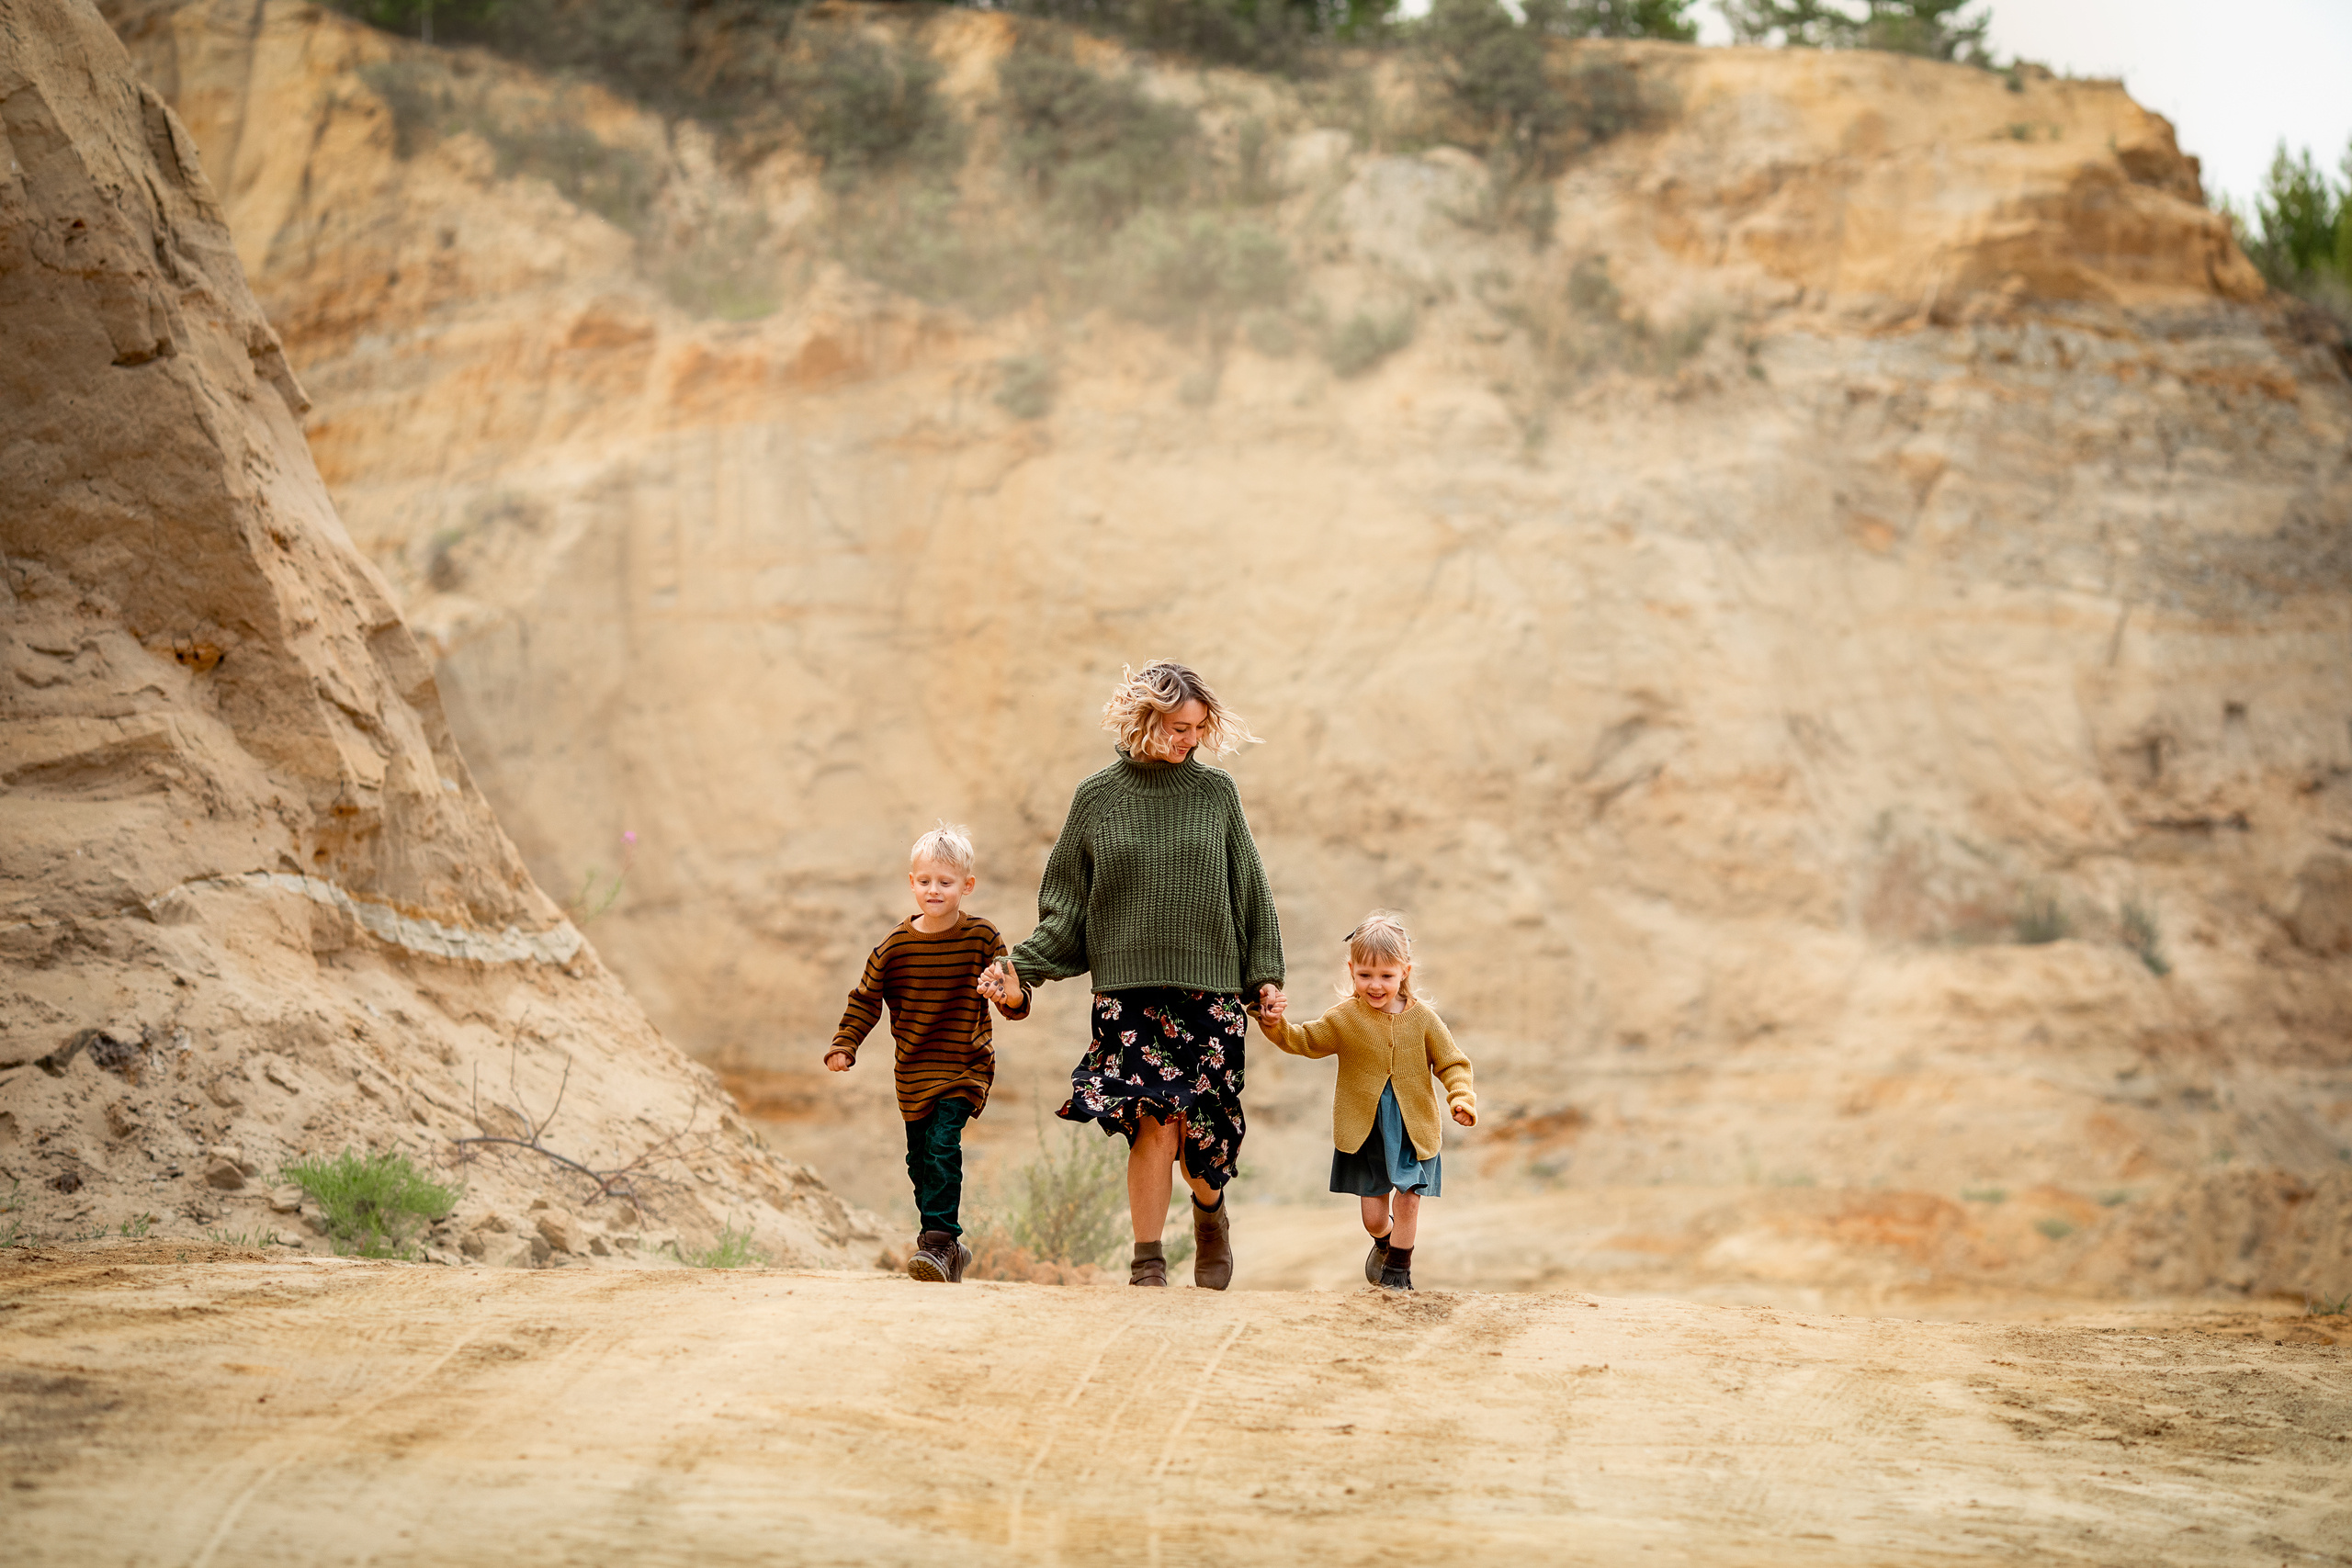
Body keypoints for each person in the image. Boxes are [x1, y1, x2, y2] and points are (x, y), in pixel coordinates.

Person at [978, 661, 1284, 1289]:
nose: (1189, 739)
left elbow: (1249, 890)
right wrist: (1021, 968)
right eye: (1178, 727)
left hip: (1211, 992)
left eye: (1198, 728)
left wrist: (1265, 977)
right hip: (1129, 995)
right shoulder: (1098, 796)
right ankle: (1147, 1260)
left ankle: (1208, 1211)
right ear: (1144, 720)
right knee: (1153, 1120)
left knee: (1203, 1132)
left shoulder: (1216, 794)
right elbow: (1066, 909)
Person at [827, 822, 1029, 1283]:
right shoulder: (895, 947)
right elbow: (864, 999)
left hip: (964, 1064)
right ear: (911, 883)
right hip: (914, 1071)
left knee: (942, 1146)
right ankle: (951, 1250)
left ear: (967, 885)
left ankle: (936, 1242)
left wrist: (1011, 998)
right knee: (919, 1160)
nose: (933, 891)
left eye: (945, 882)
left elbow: (1010, 994)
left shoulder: (982, 938)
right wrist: (846, 1043)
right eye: (924, 881)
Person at [1255, 912, 1475, 1292]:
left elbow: (1453, 1063)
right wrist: (1274, 1024)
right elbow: (1303, 1041)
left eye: (1386, 976)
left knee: (1408, 1198)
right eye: (1365, 976)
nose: (1375, 985)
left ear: (1404, 971)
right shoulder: (1344, 1019)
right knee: (1374, 1217)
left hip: (1411, 1128)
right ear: (1351, 969)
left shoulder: (1424, 1020)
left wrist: (1461, 1098)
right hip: (1366, 1130)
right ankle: (1385, 1242)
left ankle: (1399, 1274)